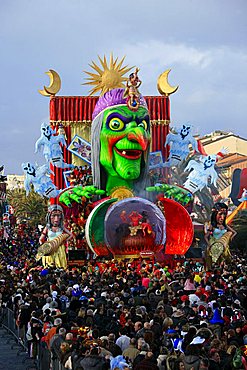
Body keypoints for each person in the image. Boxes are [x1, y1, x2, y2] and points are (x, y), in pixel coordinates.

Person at [39, 205, 73, 269]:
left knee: (60, 266)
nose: (56, 219)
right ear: (49, 217)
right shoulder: (47, 228)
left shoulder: (62, 228)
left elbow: (71, 235)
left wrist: (64, 240)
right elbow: (40, 239)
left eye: (58, 216)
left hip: (60, 249)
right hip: (50, 248)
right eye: (54, 216)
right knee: (49, 266)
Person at [204, 202, 236, 268]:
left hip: (224, 248)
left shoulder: (225, 226)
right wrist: (209, 244)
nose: (222, 217)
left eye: (224, 214)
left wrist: (229, 239)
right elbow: (206, 237)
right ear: (215, 214)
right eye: (220, 214)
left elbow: (234, 232)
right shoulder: (212, 226)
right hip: (214, 247)